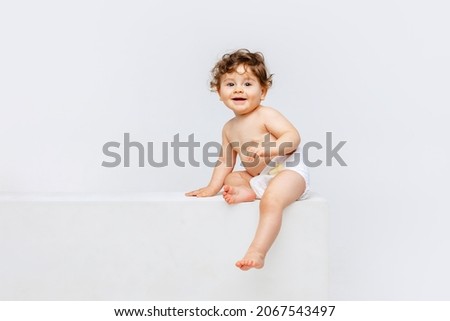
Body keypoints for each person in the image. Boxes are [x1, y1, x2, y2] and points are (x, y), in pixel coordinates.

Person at [186, 49, 310, 271]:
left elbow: (293, 137)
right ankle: (250, 192)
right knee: (231, 179)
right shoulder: (229, 128)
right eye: (230, 84)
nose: (239, 89)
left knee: (272, 200)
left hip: (287, 171)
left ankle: (257, 251)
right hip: (260, 177)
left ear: (263, 91)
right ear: (219, 92)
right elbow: (225, 161)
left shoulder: (266, 114)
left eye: (247, 84)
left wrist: (269, 148)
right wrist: (211, 187)